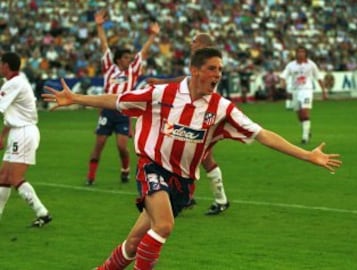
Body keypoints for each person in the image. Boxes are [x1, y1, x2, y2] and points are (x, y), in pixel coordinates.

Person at [43, 47, 341, 270]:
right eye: (212, 68)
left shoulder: (222, 108)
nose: (217, 75)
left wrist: (307, 155)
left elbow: (262, 134)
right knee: (164, 226)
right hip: (152, 165)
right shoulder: (164, 93)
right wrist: (77, 99)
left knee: (135, 242)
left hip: (183, 181)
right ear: (195, 70)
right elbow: (119, 101)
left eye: (220, 70)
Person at [147, 33, 230, 215]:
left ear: (202, 44)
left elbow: (186, 82)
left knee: (200, 155)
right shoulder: (203, 62)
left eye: (194, 41)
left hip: (205, 112)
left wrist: (161, 82)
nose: (191, 44)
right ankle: (190, 196)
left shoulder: (208, 63)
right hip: (197, 111)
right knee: (191, 153)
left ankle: (217, 199)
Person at [86, 10, 160, 185]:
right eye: (126, 58)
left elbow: (143, 52)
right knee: (99, 144)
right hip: (107, 110)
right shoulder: (109, 68)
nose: (130, 60)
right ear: (118, 59)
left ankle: (125, 170)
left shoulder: (133, 71)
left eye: (130, 58)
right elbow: (104, 45)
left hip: (123, 112)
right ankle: (90, 177)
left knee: (122, 146)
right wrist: (99, 26)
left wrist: (152, 36)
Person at [0, 52, 52, 227]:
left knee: (15, 177)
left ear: (6, 66)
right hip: (18, 131)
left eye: (1, 64)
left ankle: (42, 212)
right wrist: (2, 135)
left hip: (23, 133)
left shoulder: (14, 83)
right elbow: (12, 114)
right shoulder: (16, 81)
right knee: (4, 176)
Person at [279, 46, 327, 144]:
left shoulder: (311, 65)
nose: (300, 54)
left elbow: (318, 77)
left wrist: (324, 91)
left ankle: (305, 138)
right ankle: (307, 130)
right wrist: (282, 83)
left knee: (305, 113)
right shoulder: (291, 65)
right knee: (299, 116)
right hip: (295, 91)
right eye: (298, 52)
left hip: (307, 90)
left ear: (306, 54)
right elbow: (284, 76)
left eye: (302, 52)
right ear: (295, 54)